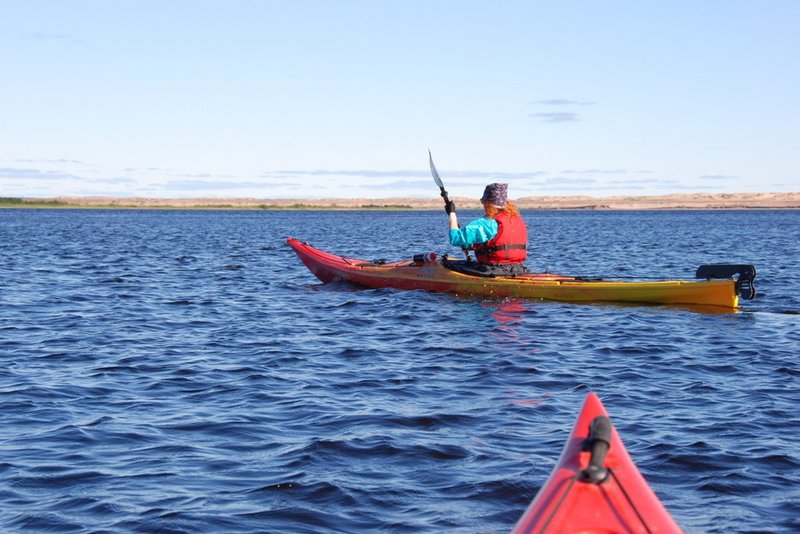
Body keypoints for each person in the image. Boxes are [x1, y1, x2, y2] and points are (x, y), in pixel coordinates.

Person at [445, 183, 528, 276]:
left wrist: (452, 214)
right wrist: (469, 246)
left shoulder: (487, 223)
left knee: (445, 264)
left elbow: (455, 238)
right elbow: (495, 243)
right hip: (518, 269)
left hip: (493, 270)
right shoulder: (518, 220)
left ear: (488, 203)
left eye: (483, 202)